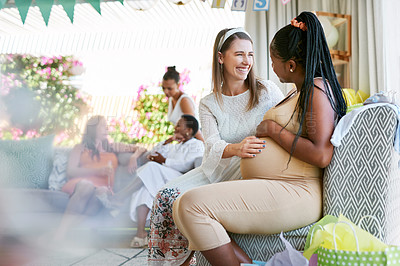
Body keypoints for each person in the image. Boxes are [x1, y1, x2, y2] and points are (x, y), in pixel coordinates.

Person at [172, 11, 347, 266]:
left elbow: (321, 155)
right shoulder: (302, 91)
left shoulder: (317, 89)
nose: (269, 66)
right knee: (180, 206)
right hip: (279, 186)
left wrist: (272, 130)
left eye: (273, 60)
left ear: (290, 64)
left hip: (297, 192)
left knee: (191, 205)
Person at [148, 28, 284, 265]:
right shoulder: (209, 102)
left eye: (250, 55)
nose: (246, 61)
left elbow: (286, 123)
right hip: (216, 169)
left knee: (190, 207)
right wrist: (236, 148)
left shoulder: (266, 91)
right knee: (165, 197)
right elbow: (211, 143)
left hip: (250, 171)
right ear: (221, 57)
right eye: (239, 54)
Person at [53, 115, 146, 241]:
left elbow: (141, 148)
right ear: (93, 128)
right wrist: (98, 170)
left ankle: (57, 234)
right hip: (80, 185)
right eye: (103, 125)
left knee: (97, 201)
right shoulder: (80, 148)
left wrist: (134, 157)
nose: (107, 128)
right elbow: (71, 172)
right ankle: (60, 235)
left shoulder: (112, 147)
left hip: (101, 190)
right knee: (87, 186)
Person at [126, 115, 204, 248]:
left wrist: (163, 161)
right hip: (163, 178)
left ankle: (121, 195)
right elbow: (152, 153)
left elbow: (186, 165)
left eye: (179, 125)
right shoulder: (175, 145)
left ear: (189, 130)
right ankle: (141, 234)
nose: (175, 127)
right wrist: (168, 141)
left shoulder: (197, 145)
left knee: (151, 167)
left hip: (180, 179)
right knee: (144, 189)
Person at [162, 66, 204, 142]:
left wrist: (204, 144)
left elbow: (193, 127)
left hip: (194, 139)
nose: (166, 92)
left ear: (178, 85)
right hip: (184, 140)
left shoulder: (184, 101)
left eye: (169, 88)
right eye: (163, 88)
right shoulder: (171, 99)